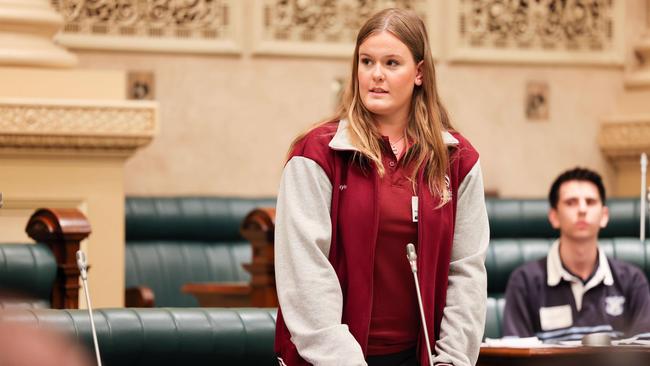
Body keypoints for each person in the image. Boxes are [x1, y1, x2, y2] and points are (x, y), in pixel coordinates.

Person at [273, 8, 489, 366]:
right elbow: (305, 277)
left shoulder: (458, 159)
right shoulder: (316, 154)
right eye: (366, 61)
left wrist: (452, 360)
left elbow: (466, 271)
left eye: (391, 63)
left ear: (419, 73)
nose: (376, 75)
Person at [502, 167, 650, 342]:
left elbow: (643, 354)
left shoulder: (632, 280)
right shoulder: (524, 281)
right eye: (571, 202)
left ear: (604, 216)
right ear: (554, 216)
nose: (582, 209)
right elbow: (514, 356)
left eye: (590, 201)